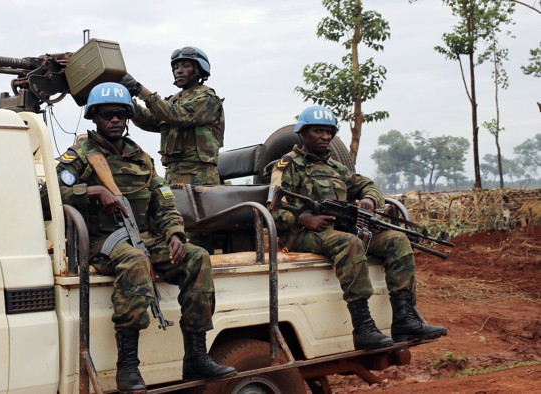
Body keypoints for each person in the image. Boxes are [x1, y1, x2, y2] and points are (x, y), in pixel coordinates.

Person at [57, 82, 236, 392]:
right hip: (101, 241)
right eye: (107, 115)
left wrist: (175, 234)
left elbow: (163, 198)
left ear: (128, 118)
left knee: (197, 257)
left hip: (142, 236)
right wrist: (91, 191)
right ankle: (128, 367)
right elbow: (51, 192)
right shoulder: (81, 154)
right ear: (94, 118)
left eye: (120, 115)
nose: (114, 120)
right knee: (135, 260)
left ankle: (195, 355)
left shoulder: (139, 156)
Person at [268, 105, 447, 351]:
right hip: (302, 234)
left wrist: (369, 200)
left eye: (329, 132)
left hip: (338, 230)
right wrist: (301, 219)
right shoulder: (287, 165)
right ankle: (363, 327)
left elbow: (369, 185)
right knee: (349, 243)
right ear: (303, 134)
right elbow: (273, 207)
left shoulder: (336, 168)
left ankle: (405, 318)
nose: (325, 137)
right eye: (318, 131)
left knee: (397, 240)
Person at [119, 46, 224, 186]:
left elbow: (178, 115)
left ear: (199, 70)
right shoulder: (174, 101)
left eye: (186, 66)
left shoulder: (208, 99)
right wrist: (125, 98)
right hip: (172, 173)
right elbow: (149, 121)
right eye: (176, 67)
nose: (179, 70)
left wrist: (139, 90)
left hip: (199, 176)